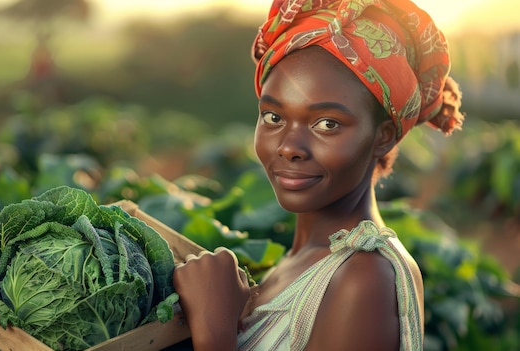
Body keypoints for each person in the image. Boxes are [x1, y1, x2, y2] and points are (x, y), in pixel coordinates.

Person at [172, 0, 464, 350]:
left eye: (327, 124)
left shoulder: (365, 278)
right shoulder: (303, 259)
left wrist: (214, 331)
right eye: (273, 117)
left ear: (383, 136)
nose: (289, 146)